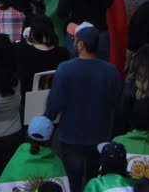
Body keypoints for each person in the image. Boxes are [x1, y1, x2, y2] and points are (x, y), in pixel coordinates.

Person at [46, 22, 123, 187]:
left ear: (81, 44)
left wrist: (46, 120)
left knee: (72, 182)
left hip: (71, 137)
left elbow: (55, 102)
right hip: (100, 135)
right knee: (94, 182)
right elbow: (116, 103)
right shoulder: (111, 71)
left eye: (75, 39)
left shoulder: (65, 69)